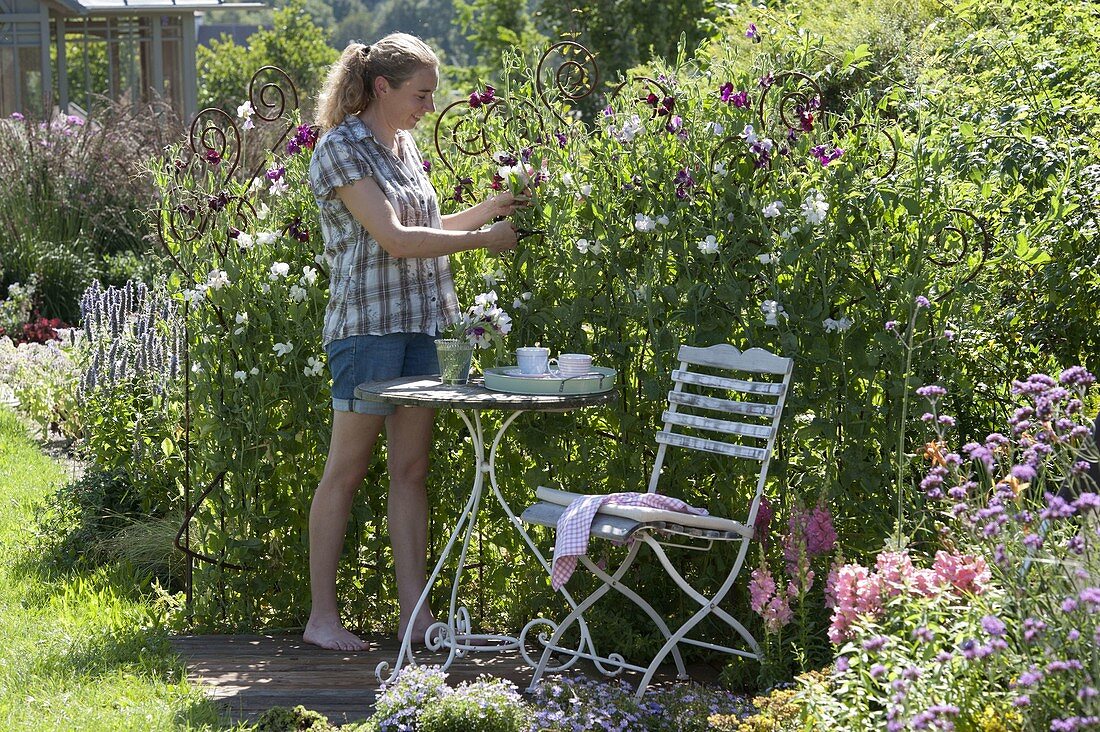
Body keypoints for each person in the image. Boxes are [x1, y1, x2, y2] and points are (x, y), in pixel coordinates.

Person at [304, 33, 525, 651]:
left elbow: (428, 228)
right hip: (368, 330)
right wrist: (484, 244)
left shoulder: (402, 147)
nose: (429, 104)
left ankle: (414, 616)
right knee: (344, 472)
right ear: (382, 87)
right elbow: (397, 239)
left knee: (411, 470)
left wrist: (491, 209)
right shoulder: (342, 149)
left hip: (424, 328)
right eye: (421, 94)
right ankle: (322, 618)